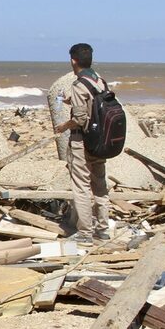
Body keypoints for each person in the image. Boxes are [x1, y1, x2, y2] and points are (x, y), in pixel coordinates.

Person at [53, 43, 110, 242]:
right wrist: (70, 100)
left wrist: (63, 127)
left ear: (73, 60)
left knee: (81, 187)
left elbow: (79, 118)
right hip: (100, 141)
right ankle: (103, 229)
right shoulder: (100, 82)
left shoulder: (79, 85)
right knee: (100, 186)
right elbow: (93, 105)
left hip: (82, 141)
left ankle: (85, 233)